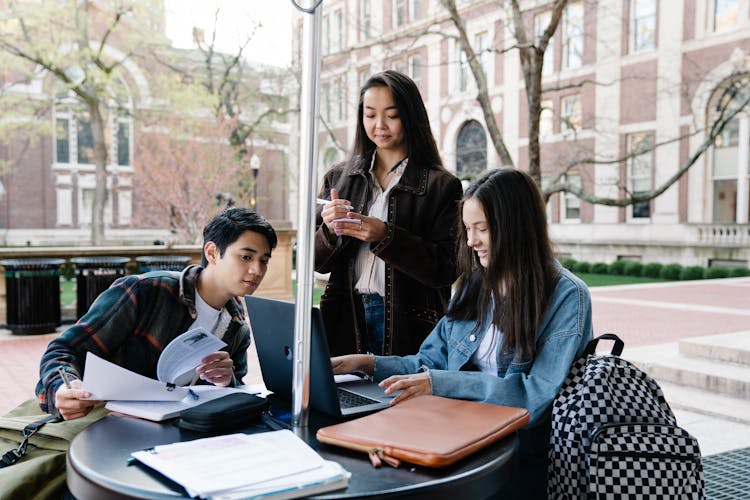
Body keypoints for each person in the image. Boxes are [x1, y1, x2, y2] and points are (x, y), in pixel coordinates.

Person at [331, 168, 593, 497]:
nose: (471, 242)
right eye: (468, 229)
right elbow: (427, 363)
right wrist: (365, 364)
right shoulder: (475, 284)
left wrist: (442, 383)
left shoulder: (567, 296)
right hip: (455, 432)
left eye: (481, 229)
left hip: (515, 455)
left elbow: (536, 397)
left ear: (515, 227)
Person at [36, 208, 277, 420]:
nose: (256, 270)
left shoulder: (237, 327)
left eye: (264, 260)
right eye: (246, 257)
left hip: (177, 437)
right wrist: (62, 389)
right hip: (106, 421)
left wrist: (226, 381)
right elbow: (63, 351)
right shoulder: (146, 291)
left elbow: (231, 393)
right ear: (212, 253)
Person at [316, 69, 463, 357]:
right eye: (370, 115)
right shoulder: (340, 177)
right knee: (349, 398)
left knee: (400, 401)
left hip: (410, 325)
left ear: (410, 116)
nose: (379, 125)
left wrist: (386, 235)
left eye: (391, 115)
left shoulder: (441, 185)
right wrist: (329, 231)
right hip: (346, 317)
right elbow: (315, 263)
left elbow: (448, 268)